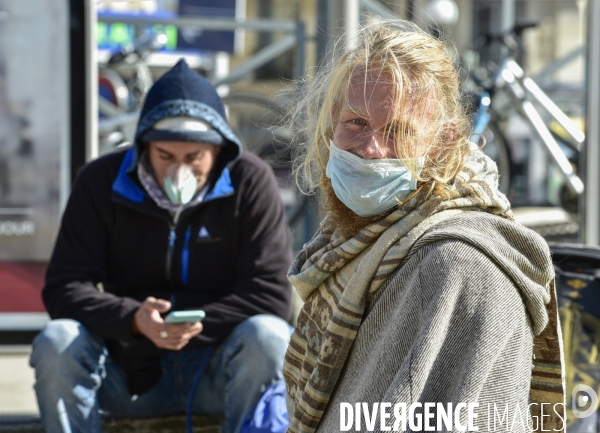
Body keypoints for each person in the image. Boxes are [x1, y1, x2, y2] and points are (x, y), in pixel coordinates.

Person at [283, 24, 565, 433]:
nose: (370, 149)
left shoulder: (458, 266)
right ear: (331, 123)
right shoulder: (353, 239)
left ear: (443, 143)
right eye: (357, 122)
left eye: (398, 131)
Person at [30, 59, 293, 433]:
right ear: (143, 148)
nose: (179, 171)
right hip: (127, 374)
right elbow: (64, 287)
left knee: (270, 337)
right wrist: (134, 320)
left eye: (194, 157)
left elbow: (271, 295)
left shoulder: (250, 181)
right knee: (57, 341)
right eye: (165, 156)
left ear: (218, 151)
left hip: (216, 372)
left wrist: (189, 323)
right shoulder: (100, 181)